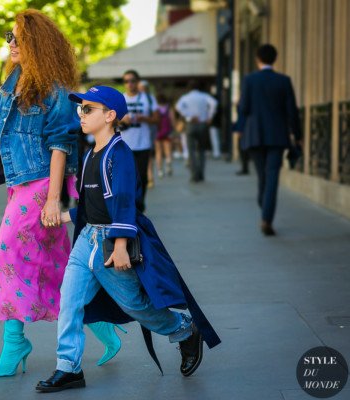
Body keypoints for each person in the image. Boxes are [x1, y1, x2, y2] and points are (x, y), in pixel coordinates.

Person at [36, 86, 221, 393]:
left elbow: (123, 202)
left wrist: (121, 245)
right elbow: (92, 201)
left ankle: (184, 329)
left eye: (88, 109)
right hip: (86, 240)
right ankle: (68, 368)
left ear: (110, 116)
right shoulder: (90, 153)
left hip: (111, 241)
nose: (80, 114)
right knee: (68, 302)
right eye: (80, 108)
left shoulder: (119, 154)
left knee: (135, 304)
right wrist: (63, 216)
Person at [0, 9, 123, 378]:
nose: (10, 43)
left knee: (3, 254)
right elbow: (3, 140)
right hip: (19, 184)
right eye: (9, 36)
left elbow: (60, 145)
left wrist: (54, 198)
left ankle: (14, 344)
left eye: (17, 37)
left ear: (34, 43)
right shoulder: (14, 82)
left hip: (43, 185)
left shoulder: (53, 90)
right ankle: (102, 325)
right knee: (52, 266)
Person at [238, 44, 302, 236]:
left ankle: (264, 206)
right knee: (272, 177)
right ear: (275, 59)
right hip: (277, 136)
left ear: (258, 59)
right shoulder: (284, 81)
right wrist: (297, 136)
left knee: (262, 176)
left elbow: (244, 108)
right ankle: (266, 218)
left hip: (255, 135)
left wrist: (241, 127)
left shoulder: (249, 80)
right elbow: (292, 111)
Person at [120, 70, 158, 209]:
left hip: (143, 144)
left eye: (132, 81)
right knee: (126, 178)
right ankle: (130, 206)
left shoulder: (148, 98)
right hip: (124, 144)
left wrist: (144, 118)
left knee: (142, 177)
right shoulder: (121, 99)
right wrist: (122, 120)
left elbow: (157, 119)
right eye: (126, 81)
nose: (129, 84)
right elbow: (111, 121)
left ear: (138, 82)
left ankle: (139, 206)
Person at [175, 81, 217, 182]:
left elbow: (177, 107)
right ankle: (201, 174)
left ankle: (194, 175)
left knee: (191, 151)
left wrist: (188, 116)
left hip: (191, 124)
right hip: (202, 124)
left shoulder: (185, 97)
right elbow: (214, 103)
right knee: (201, 150)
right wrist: (209, 117)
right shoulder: (204, 96)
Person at [138, 80, 159, 187]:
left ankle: (150, 176)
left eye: (143, 88)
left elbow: (156, 117)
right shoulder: (137, 98)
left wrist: (145, 118)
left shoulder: (150, 99)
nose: (141, 90)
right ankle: (147, 176)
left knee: (148, 154)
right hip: (137, 132)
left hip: (149, 130)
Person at [154, 93, 175, 178]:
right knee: (168, 151)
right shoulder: (169, 108)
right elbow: (173, 120)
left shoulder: (155, 108)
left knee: (158, 151)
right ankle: (168, 164)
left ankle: (160, 171)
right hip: (167, 131)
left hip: (157, 132)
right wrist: (173, 130)